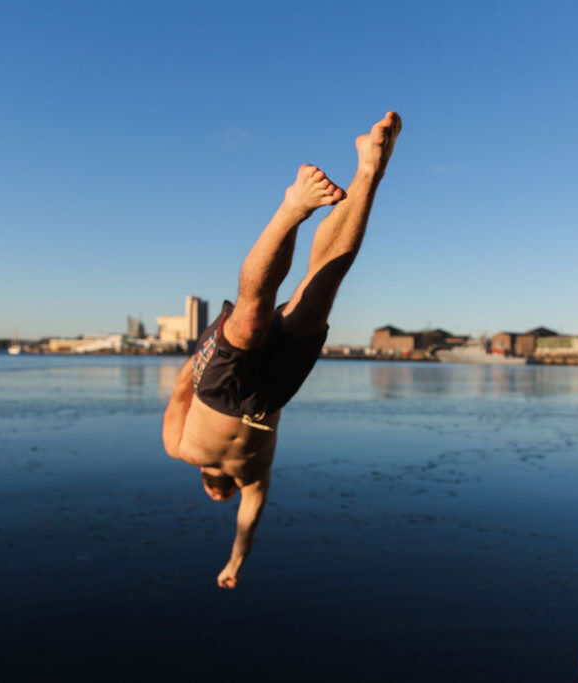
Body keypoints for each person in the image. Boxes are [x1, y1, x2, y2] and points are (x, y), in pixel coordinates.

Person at [162, 111, 402, 588]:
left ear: (209, 491)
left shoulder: (179, 450)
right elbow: (248, 525)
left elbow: (179, 389)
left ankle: (293, 207)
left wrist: (203, 352)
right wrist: (235, 563)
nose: (218, 496)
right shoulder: (252, 481)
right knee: (323, 286)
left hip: (218, 389)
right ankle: (370, 167)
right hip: (272, 394)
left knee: (251, 312)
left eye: (215, 495)